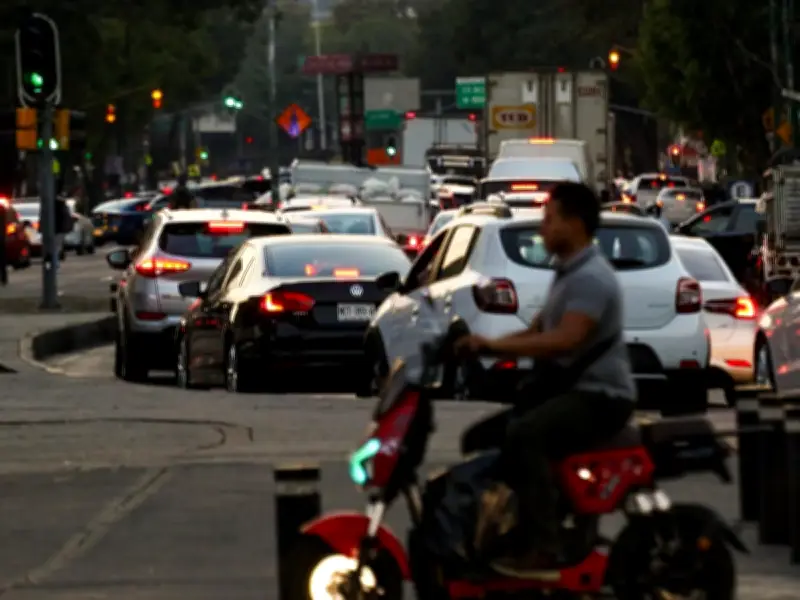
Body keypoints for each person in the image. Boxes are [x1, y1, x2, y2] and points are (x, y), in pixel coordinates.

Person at [455, 181, 636, 574]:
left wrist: (497, 347)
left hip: (600, 397)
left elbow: (565, 340)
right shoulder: (568, 274)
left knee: (526, 434)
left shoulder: (591, 278)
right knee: (483, 438)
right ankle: (510, 526)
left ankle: (545, 545)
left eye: (549, 219)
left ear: (573, 223)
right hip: (573, 391)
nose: (542, 229)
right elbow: (538, 330)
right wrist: (483, 345)